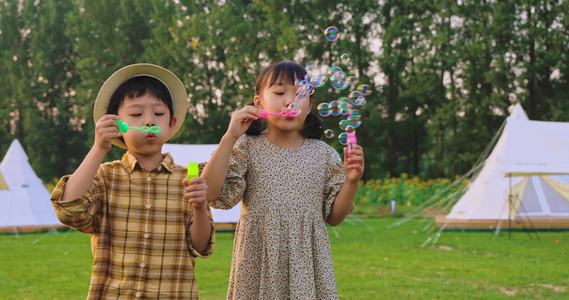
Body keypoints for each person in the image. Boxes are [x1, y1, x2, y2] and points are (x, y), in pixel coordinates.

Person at [201, 60, 365, 299]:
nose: (290, 101)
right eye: (279, 92)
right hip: (257, 260)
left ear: (309, 106)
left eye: (300, 95)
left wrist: (352, 182)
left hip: (307, 266)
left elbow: (334, 217)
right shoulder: (246, 147)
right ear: (259, 104)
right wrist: (229, 136)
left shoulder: (324, 155)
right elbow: (210, 193)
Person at [50, 63, 215, 299]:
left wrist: (199, 208)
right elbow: (69, 211)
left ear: (171, 123)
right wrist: (98, 148)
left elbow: (200, 246)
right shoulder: (105, 176)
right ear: (118, 126)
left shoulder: (189, 176)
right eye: (136, 114)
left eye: (158, 114)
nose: (149, 121)